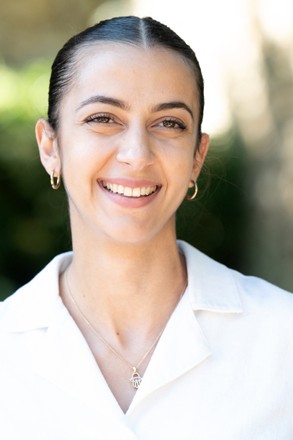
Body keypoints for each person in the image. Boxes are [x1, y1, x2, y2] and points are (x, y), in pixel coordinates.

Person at [0, 15, 292, 440]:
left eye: (169, 123)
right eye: (103, 118)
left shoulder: (282, 337)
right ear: (50, 146)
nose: (137, 153)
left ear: (196, 156)